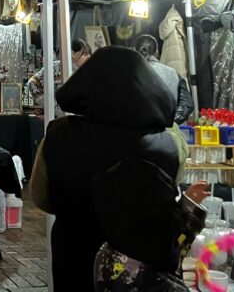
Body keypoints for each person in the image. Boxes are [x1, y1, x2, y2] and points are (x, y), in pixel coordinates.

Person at [31, 47, 192, 292]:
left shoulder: (57, 134)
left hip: (74, 257)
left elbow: (41, 198)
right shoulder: (170, 144)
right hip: (139, 267)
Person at [135, 35, 193, 125]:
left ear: (135, 51)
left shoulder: (129, 73)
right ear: (157, 51)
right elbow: (187, 105)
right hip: (167, 131)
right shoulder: (173, 73)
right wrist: (171, 123)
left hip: (138, 131)